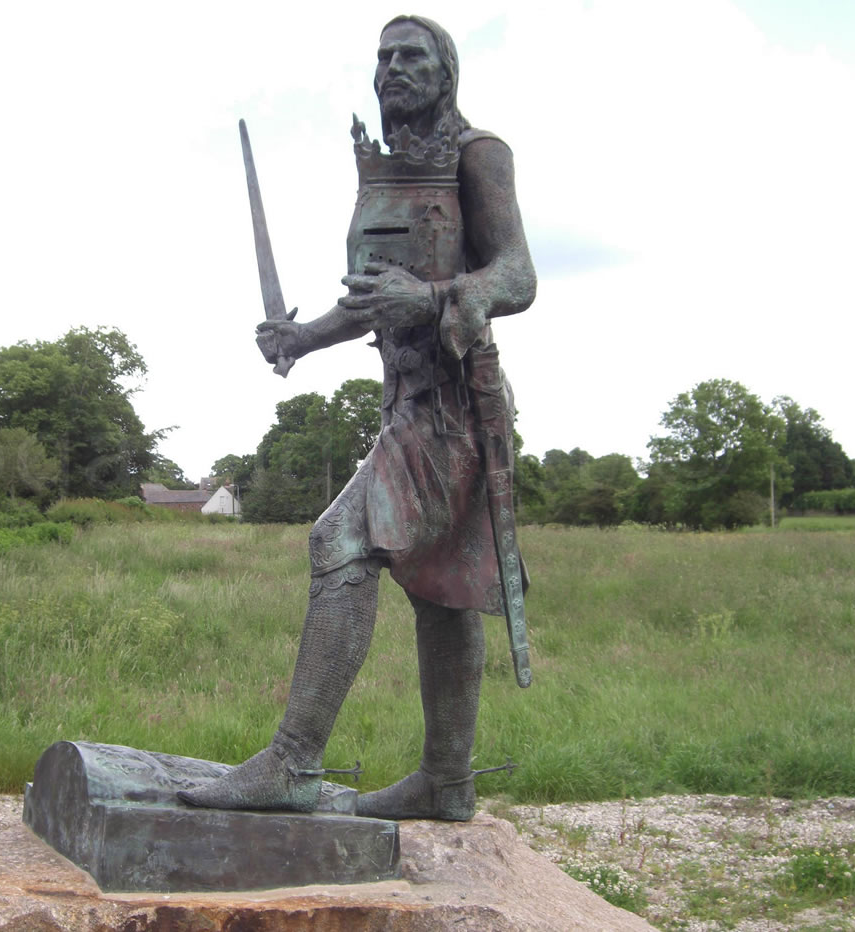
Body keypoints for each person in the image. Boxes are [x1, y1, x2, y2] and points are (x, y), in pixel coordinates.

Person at [180, 14, 535, 821]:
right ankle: (446, 783)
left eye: (411, 56)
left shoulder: (479, 155)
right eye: (383, 58)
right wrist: (303, 337)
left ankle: (292, 763)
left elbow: (516, 276)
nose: (393, 69)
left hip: (456, 409)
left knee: (340, 541)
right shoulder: (378, 171)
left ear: (445, 73)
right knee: (443, 594)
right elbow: (372, 299)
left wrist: (439, 297)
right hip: (404, 402)